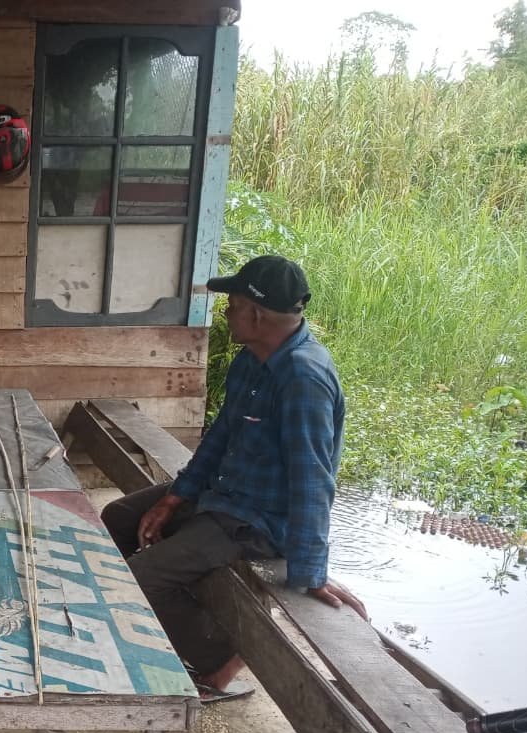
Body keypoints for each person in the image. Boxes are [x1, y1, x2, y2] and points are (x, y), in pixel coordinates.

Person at [101, 255, 367, 703]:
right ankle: (155, 624)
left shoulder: (303, 379)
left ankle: (221, 661)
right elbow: (221, 436)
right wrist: (174, 498)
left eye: (233, 305)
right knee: (119, 516)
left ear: (257, 315)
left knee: (141, 577)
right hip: (223, 495)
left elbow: (312, 482)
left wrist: (311, 571)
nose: (227, 313)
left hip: (258, 522)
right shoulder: (252, 360)